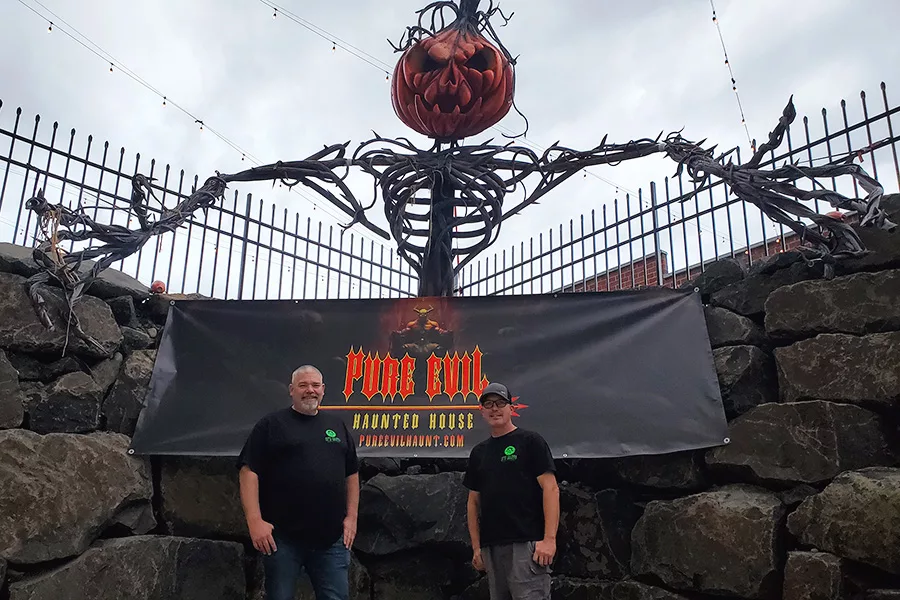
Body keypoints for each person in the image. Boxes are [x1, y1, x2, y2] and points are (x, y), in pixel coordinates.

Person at [238, 365, 359, 600]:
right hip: (282, 540)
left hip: (332, 541)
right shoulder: (271, 425)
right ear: (291, 390)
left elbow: (352, 474)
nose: (310, 390)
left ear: (323, 390)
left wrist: (352, 518)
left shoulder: (337, 426)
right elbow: (248, 471)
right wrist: (255, 522)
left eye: (315, 385)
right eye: (303, 385)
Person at [463, 382, 559, 600]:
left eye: (500, 403)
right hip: (492, 548)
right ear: (482, 411)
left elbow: (551, 489)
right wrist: (477, 548)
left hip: (527, 545)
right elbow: (472, 502)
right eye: (488, 404)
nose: (494, 409)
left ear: (511, 408)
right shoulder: (479, 453)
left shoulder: (530, 441)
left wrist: (549, 540)